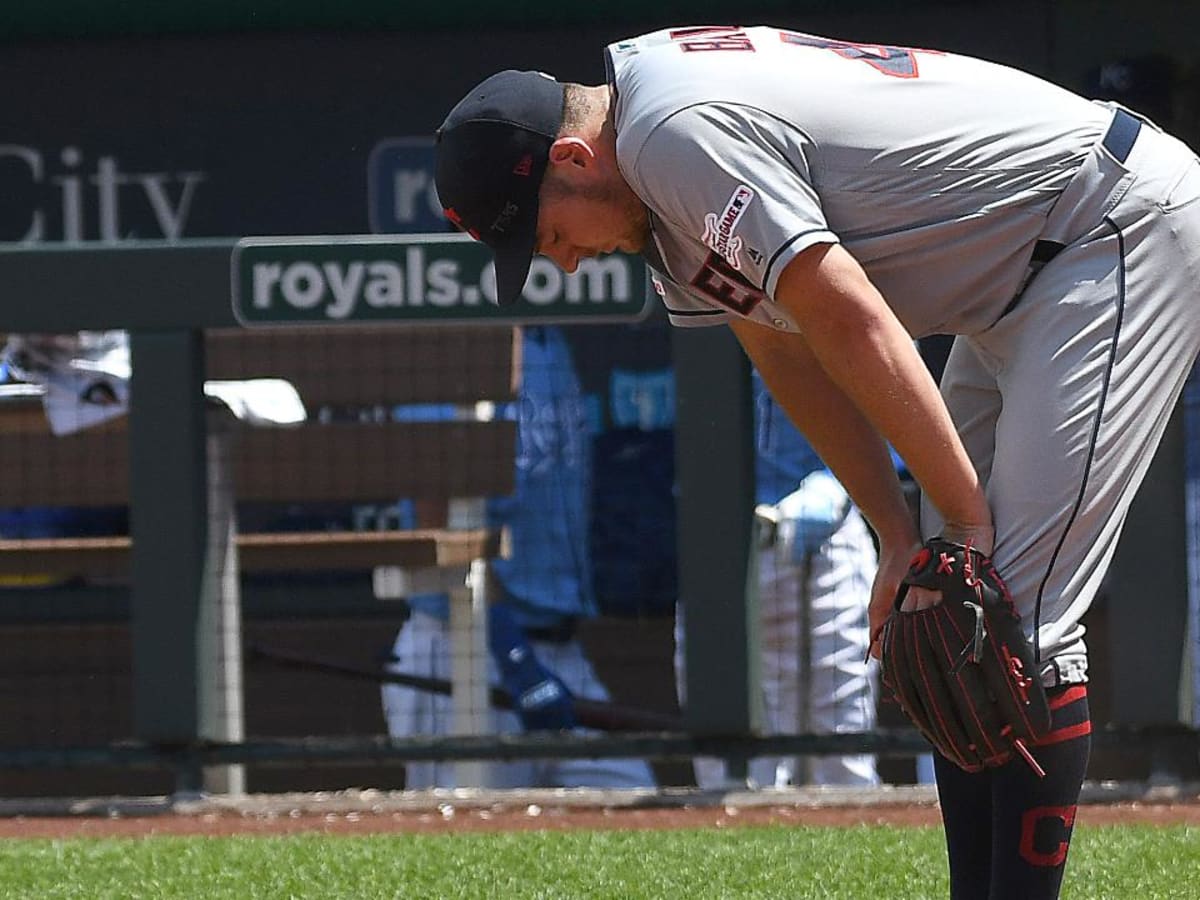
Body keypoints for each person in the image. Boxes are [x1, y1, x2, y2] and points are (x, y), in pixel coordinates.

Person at [431, 26, 1200, 898]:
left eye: (546, 235)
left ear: (571, 157)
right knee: (949, 613)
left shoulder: (672, 134)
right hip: (1018, 277)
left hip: (1106, 224)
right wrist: (900, 536)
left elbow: (850, 319)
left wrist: (966, 526)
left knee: (1011, 617)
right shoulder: (655, 196)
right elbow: (788, 351)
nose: (560, 262)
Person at [381, 325, 656, 790]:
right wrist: (515, 658)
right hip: (463, 646)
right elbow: (436, 525)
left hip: (561, 649)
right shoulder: (452, 336)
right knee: (458, 846)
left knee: (632, 805)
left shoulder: (554, 339)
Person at [674, 370, 879, 788]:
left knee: (840, 743)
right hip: (721, 542)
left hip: (826, 538)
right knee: (729, 764)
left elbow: (895, 380)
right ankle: (734, 854)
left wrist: (840, 483)